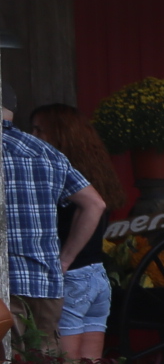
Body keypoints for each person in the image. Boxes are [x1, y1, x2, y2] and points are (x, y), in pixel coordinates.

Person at [2, 100, 102, 345]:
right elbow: (94, 203)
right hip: (45, 281)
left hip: (5, 283)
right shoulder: (46, 151)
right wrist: (64, 260)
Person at [22, 106, 117, 359]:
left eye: (39, 130)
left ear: (61, 135)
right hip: (96, 274)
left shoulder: (60, 170)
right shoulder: (93, 170)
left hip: (73, 276)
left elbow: (93, 207)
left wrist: (64, 260)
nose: (32, 135)